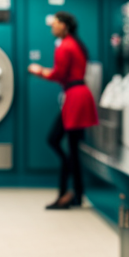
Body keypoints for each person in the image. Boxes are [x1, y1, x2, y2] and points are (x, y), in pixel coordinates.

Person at [28, 11, 98, 210]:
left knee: (56, 140)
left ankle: (66, 194)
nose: (52, 27)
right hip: (79, 94)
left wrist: (39, 71)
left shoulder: (64, 47)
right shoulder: (76, 44)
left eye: (55, 23)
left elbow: (59, 74)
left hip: (75, 96)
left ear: (64, 26)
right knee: (72, 147)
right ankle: (75, 194)